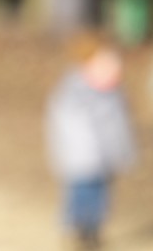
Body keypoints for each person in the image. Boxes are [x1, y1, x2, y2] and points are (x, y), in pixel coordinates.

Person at [45, 31, 136, 250]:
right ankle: (77, 228)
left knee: (101, 194)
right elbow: (68, 125)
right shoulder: (73, 91)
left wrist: (124, 153)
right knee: (81, 192)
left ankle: (93, 228)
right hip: (83, 156)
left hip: (105, 157)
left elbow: (120, 128)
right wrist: (83, 151)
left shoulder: (113, 93)